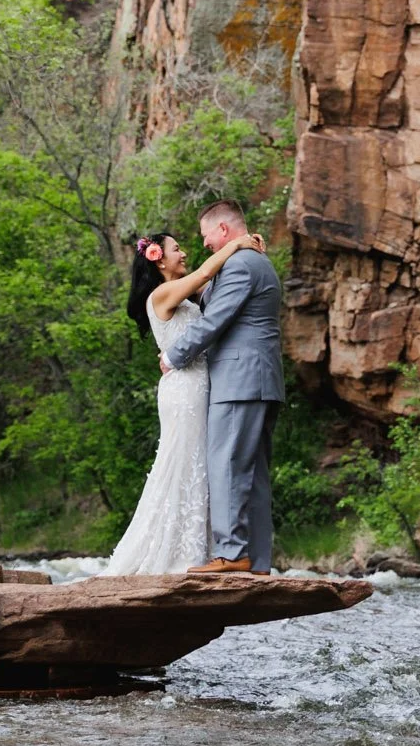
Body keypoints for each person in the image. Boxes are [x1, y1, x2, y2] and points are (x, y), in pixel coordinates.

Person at [103, 225, 268, 576]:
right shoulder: (161, 295)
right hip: (184, 392)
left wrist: (251, 256)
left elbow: (222, 286)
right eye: (176, 248)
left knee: (201, 466)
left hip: (201, 386)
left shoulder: (183, 295)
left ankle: (204, 546)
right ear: (158, 259)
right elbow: (207, 271)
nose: (184, 253)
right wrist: (237, 242)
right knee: (182, 463)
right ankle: (172, 552)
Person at [158, 200, 286, 574]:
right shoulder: (253, 260)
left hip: (240, 381)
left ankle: (232, 554)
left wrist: (173, 355)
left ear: (224, 231)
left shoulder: (242, 265)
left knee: (227, 463)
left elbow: (215, 320)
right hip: (259, 380)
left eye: (207, 236)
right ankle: (258, 560)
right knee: (254, 473)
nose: (205, 243)